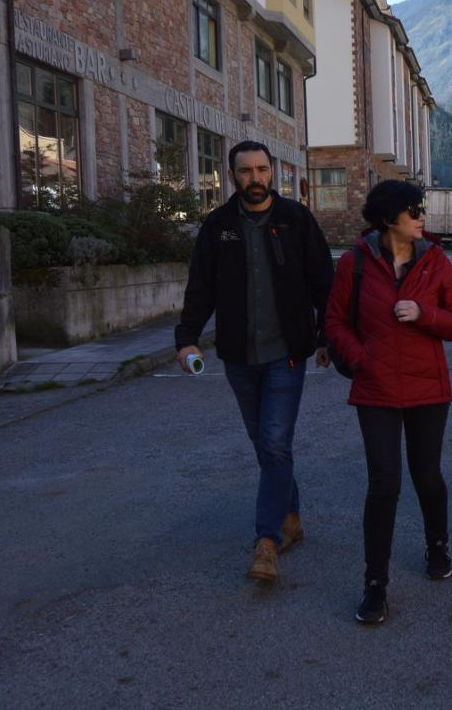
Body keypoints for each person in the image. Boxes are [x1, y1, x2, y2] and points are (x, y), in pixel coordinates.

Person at [174, 141, 334, 584]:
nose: (255, 178)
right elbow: (200, 289)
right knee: (265, 444)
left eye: (262, 169)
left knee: (276, 442)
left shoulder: (296, 219)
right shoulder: (218, 226)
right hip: (239, 357)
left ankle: (267, 540)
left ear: (273, 172)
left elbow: (325, 283)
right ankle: (292, 518)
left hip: (287, 354)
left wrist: (328, 335)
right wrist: (186, 338)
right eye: (246, 171)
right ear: (232, 176)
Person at [324, 180, 452, 625]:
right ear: (390, 219)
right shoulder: (355, 264)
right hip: (376, 391)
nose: (421, 216)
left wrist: (424, 314)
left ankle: (437, 544)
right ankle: (375, 584)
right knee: (383, 485)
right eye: (413, 210)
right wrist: (360, 357)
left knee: (427, 477)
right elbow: (333, 322)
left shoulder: (436, 260)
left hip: (429, 390)